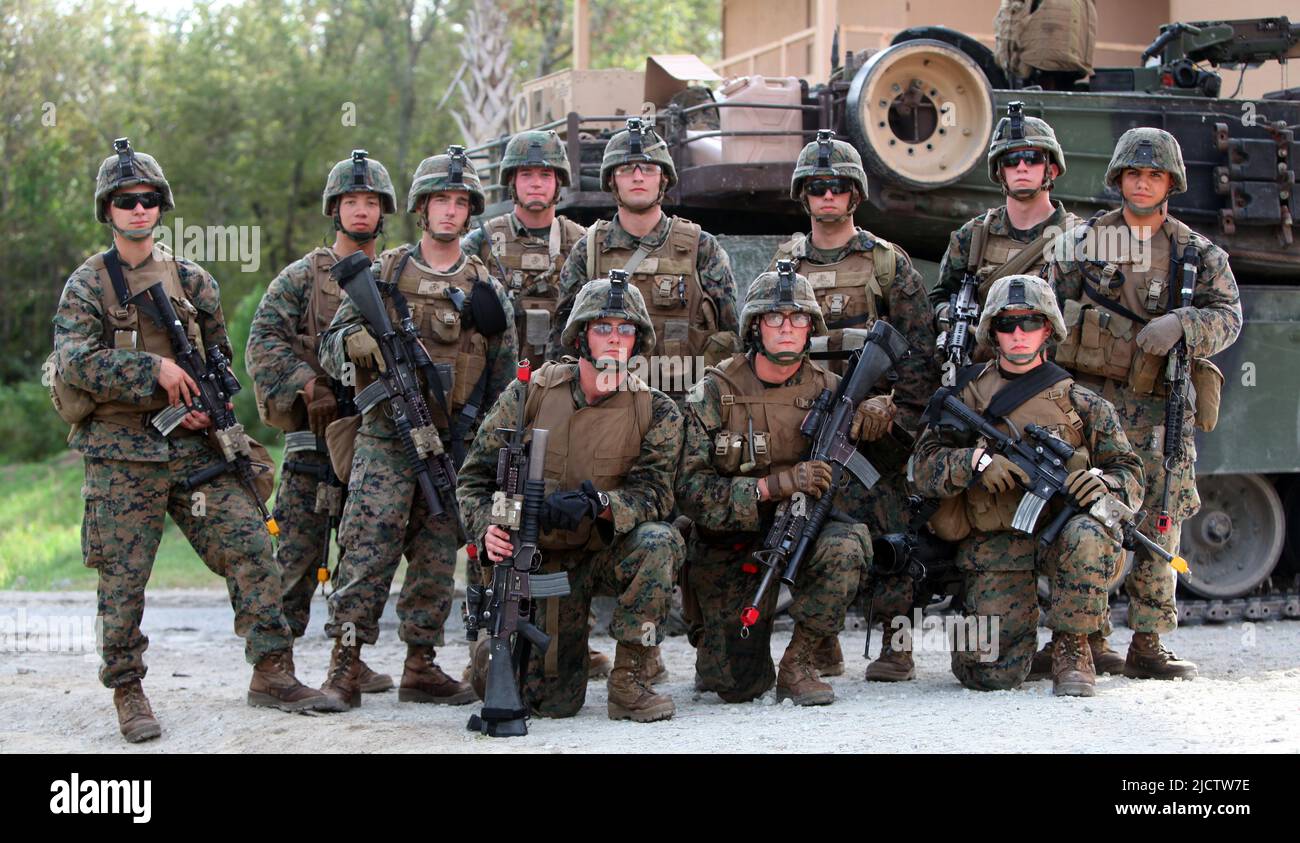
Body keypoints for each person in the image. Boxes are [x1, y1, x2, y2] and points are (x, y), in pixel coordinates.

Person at [52, 138, 338, 742]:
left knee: (254, 546)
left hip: (191, 450)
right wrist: (150, 372)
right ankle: (128, 689)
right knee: (123, 577)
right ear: (108, 210)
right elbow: (73, 362)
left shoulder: (192, 281)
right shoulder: (88, 285)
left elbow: (215, 362)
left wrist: (206, 412)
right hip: (121, 455)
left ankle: (272, 670)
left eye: (148, 199)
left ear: (161, 206)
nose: (138, 209)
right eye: (126, 201)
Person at [316, 147, 517, 707]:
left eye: (459, 202)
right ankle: (344, 666)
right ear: (420, 209)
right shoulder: (385, 273)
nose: (449, 212)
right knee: (366, 548)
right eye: (439, 202)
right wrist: (353, 343)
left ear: (470, 211)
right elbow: (331, 346)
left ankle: (421, 663)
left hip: (453, 441)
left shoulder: (485, 288)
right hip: (386, 438)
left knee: (435, 557)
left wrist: (494, 450)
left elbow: (506, 377)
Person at [1048, 127, 1242, 679]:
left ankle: (1149, 642)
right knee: (1089, 513)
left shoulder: (1195, 253)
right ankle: (1086, 635)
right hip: (1090, 402)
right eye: (1133, 173)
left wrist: (1183, 323)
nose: (1141, 183)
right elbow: (1046, 304)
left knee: (1161, 520)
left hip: (1159, 407)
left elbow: (1229, 317)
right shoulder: (1085, 240)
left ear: (1170, 183)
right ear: (1118, 178)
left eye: (1153, 174)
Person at [457, 273, 683, 721]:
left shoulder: (656, 410)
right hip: (536, 558)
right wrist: (494, 528)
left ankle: (630, 680)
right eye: (603, 329)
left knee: (661, 541)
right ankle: (489, 653)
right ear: (581, 338)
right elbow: (476, 479)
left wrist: (601, 504)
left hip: (602, 550)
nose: (614, 341)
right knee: (550, 704)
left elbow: (656, 494)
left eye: (625, 330)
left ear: (638, 341)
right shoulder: (530, 394)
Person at [911, 274, 1145, 695]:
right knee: (989, 675)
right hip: (997, 541)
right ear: (992, 331)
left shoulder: (1080, 402)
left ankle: (1073, 647)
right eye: (1007, 324)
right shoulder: (965, 395)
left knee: (1090, 533)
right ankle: (1002, 637)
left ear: (1049, 329)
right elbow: (921, 468)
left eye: (1030, 322)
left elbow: (1129, 470)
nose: (1018, 334)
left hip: (1065, 539)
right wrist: (976, 462)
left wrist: (1104, 483)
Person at [768, 130, 939, 681]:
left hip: (874, 431)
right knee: (812, 526)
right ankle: (822, 642)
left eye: (838, 187)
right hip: (808, 423)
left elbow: (919, 350)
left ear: (855, 196)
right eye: (817, 187)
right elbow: (763, 342)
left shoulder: (887, 263)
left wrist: (895, 413)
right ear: (804, 195)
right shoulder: (784, 266)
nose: (827, 197)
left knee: (890, 531)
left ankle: (896, 645)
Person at [675, 264, 876, 704]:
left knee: (848, 544)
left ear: (811, 327)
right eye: (774, 318)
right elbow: (688, 491)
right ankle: (709, 631)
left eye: (798, 318)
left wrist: (880, 414)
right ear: (754, 326)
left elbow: (872, 480)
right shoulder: (715, 390)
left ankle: (802, 659)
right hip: (731, 542)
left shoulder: (835, 391)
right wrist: (774, 486)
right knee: (735, 685)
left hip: (802, 531)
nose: (787, 329)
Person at [245, 150, 397, 695]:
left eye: (371, 202)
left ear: (386, 211)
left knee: (364, 554)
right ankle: (274, 669)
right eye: (351, 201)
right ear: (336, 210)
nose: (361, 211)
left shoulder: (397, 272)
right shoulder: (302, 278)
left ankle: (348, 659)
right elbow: (261, 345)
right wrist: (308, 385)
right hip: (314, 440)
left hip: (378, 440)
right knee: (297, 556)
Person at [547, 118, 740, 388]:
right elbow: (562, 343)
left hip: (685, 406)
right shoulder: (587, 251)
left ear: (663, 178)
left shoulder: (702, 248)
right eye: (626, 169)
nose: (638, 177)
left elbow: (731, 337)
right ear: (612, 179)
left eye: (648, 168)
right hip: (609, 404)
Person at [931, 105, 1079, 328]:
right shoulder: (973, 236)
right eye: (1011, 160)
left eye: (1031, 157)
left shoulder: (1080, 238)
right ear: (1000, 173)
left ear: (1052, 170)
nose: (1021, 167)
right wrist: (950, 316)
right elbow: (938, 298)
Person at [461, 130, 586, 369]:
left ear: (558, 183)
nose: (536, 183)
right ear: (512, 182)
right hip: (498, 379)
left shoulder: (582, 243)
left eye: (545, 175)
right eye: (526, 174)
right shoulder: (482, 242)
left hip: (562, 380)